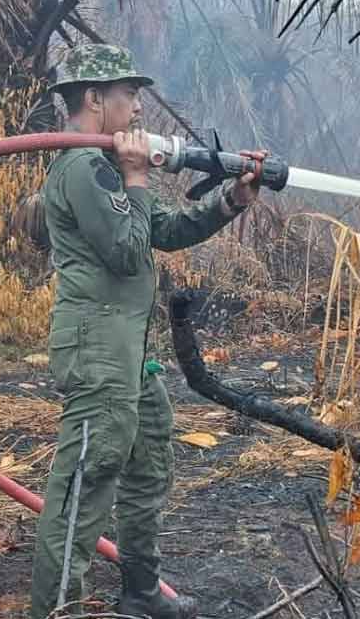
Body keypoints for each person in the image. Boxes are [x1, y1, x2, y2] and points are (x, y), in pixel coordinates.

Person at [29, 44, 260, 619]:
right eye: (129, 95)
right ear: (93, 98)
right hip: (97, 347)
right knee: (86, 479)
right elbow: (129, 254)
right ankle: (57, 610)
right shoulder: (84, 167)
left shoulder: (107, 164)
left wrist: (231, 199)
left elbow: (165, 229)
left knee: (149, 457)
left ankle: (140, 589)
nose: (137, 107)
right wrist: (134, 177)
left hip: (129, 350)